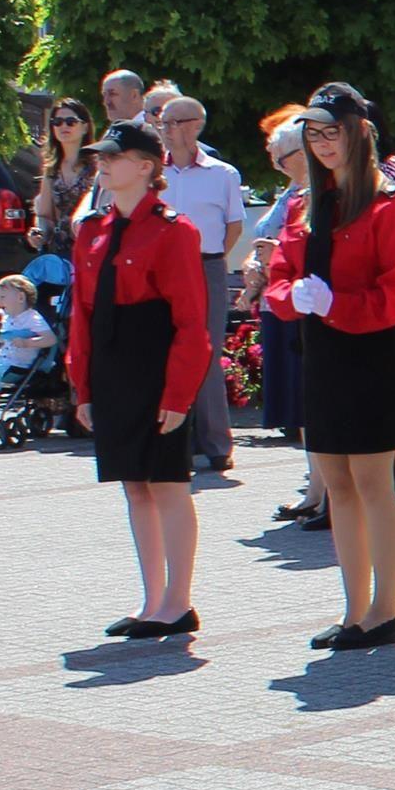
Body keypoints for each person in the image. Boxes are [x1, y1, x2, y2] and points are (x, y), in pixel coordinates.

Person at [268, 85, 395, 650]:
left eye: (332, 130)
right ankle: (355, 608)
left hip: (370, 353)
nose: (322, 142)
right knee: (336, 482)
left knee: (373, 481)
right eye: (314, 132)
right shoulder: (305, 204)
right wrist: (293, 299)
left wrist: (340, 305)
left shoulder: (389, 204)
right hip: (322, 354)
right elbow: (281, 275)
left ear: (359, 133)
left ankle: (385, 610)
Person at [67, 121, 211, 640]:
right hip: (112, 367)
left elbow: (190, 322)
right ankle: (152, 600)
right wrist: (81, 386)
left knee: (168, 484)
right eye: (100, 156)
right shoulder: (93, 229)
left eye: (114, 156)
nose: (101, 164)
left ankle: (178, 601)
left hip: (156, 364)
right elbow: (82, 315)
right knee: (134, 485)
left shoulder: (174, 229)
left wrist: (179, 393)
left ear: (147, 167)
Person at [153, 90, 246, 474]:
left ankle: (217, 443)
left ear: (195, 126)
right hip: (160, 268)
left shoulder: (222, 174)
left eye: (173, 122)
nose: (166, 130)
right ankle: (176, 437)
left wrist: (210, 258)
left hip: (205, 265)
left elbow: (234, 225)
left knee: (205, 353)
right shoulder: (153, 172)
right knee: (164, 350)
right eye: (162, 122)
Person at [246, 111, 323, 521]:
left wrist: (273, 260)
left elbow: (301, 253)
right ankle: (316, 488)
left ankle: (325, 493)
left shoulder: (317, 196)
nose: (277, 164)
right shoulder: (293, 193)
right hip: (284, 302)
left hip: (308, 305)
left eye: (283, 156)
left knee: (315, 403)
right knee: (303, 403)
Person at [0, 273, 57, 421]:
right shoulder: (3, 316)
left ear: (20, 298)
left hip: (19, 365)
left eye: (3, 298)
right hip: (3, 360)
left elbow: (50, 339)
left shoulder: (33, 318)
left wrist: (28, 343)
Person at [33, 97, 98, 234]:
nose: (64, 126)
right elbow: (45, 217)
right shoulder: (51, 169)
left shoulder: (98, 165)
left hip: (90, 242)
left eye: (71, 122)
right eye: (57, 122)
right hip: (60, 247)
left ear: (85, 127)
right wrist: (39, 233)